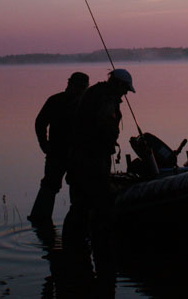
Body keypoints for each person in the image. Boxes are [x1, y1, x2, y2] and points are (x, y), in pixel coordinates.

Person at [64, 68, 135, 289]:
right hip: (91, 161)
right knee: (100, 204)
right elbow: (104, 127)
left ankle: (71, 252)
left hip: (78, 159)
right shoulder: (105, 99)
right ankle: (97, 249)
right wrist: (109, 142)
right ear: (117, 85)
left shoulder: (94, 93)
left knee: (80, 204)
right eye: (124, 89)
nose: (124, 95)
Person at [27, 71, 90, 224]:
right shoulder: (56, 100)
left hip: (77, 154)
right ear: (70, 85)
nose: (80, 90)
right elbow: (40, 123)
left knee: (77, 186)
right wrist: (44, 144)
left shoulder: (86, 103)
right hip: (56, 152)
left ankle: (77, 221)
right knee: (50, 186)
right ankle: (40, 220)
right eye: (79, 87)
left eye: (83, 88)